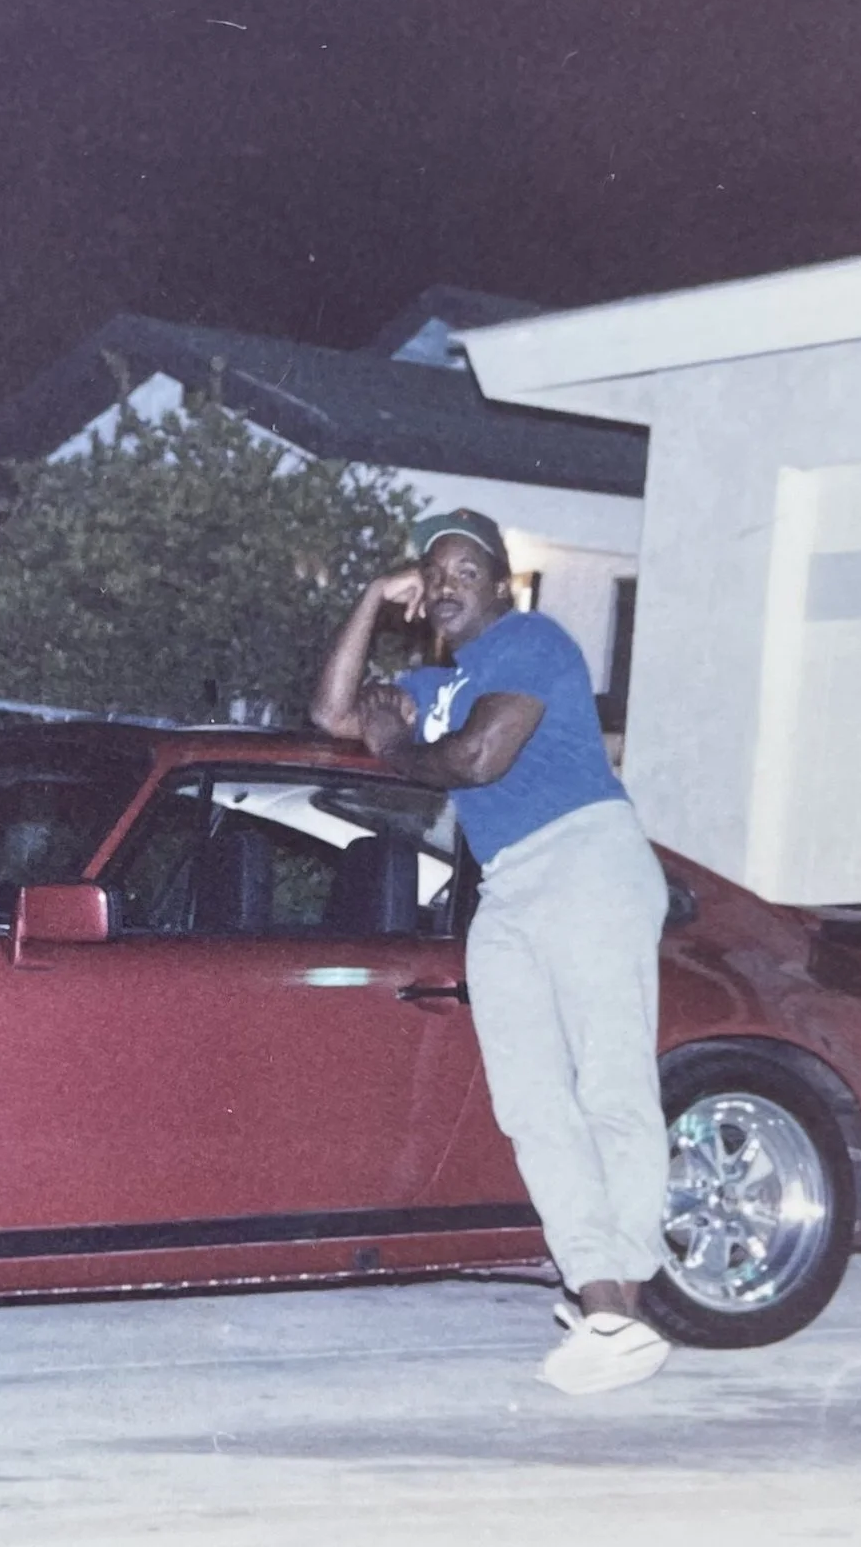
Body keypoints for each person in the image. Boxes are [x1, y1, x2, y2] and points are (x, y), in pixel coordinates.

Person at [311, 508, 672, 1395]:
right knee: (531, 1102)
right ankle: (603, 1304)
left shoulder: (532, 643)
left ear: (501, 585)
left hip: (588, 860)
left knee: (611, 1087)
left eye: (465, 571)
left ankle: (624, 1303)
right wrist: (371, 595)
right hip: (508, 882)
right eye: (433, 573)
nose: (445, 586)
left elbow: (477, 760)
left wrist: (397, 744)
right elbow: (331, 711)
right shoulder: (436, 684)